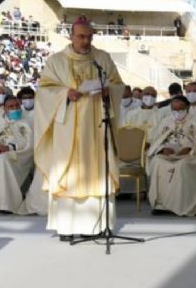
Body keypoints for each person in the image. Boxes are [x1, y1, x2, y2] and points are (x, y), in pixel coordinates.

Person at [34, 18, 124, 241]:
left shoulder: (102, 58)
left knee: (96, 172)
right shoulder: (56, 61)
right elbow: (44, 91)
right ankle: (66, 227)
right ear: (71, 36)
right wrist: (65, 93)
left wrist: (108, 92)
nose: (86, 41)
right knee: (69, 172)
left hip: (97, 126)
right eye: (81, 36)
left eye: (89, 37)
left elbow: (117, 84)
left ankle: (95, 225)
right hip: (68, 129)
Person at [147, 96, 196, 216]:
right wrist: (162, 149)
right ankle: (160, 204)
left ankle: (181, 205)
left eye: (180, 109)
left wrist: (191, 150)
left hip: (189, 156)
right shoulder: (166, 122)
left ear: (187, 108)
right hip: (169, 155)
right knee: (157, 161)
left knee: (182, 166)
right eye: (174, 110)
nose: (177, 113)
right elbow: (157, 141)